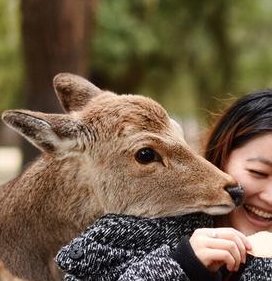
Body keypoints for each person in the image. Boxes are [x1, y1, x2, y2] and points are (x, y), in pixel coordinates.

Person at [56, 89, 272, 280]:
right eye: (258, 173)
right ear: (221, 155)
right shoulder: (135, 234)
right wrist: (182, 264)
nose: (270, 198)